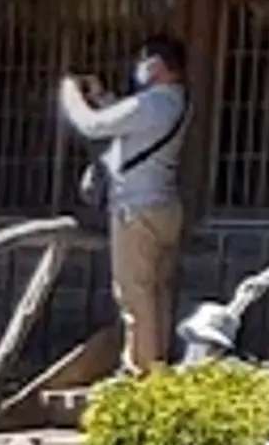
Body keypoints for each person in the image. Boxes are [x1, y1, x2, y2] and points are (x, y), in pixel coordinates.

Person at [60, 33, 191, 378]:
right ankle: (158, 365)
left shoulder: (154, 102)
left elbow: (92, 126)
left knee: (134, 296)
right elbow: (128, 124)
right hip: (165, 207)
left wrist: (70, 95)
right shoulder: (176, 102)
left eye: (145, 61)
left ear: (159, 66)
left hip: (137, 210)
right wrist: (102, 96)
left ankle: (140, 373)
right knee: (158, 294)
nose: (140, 68)